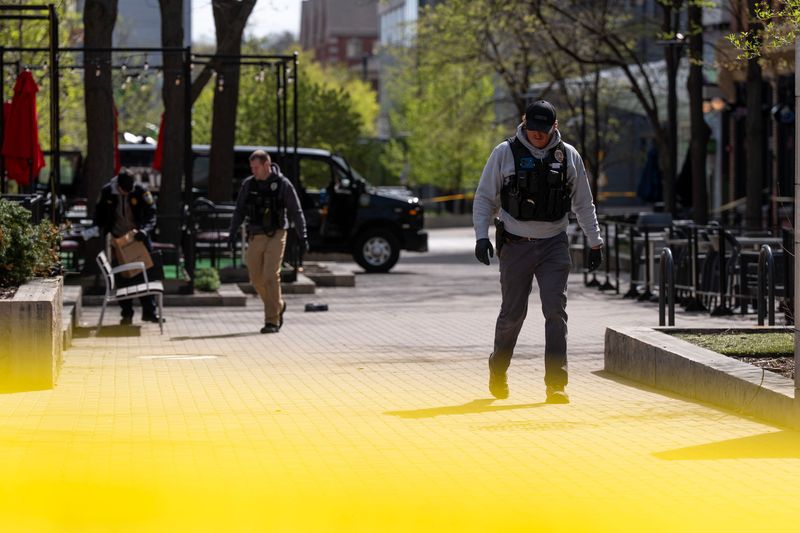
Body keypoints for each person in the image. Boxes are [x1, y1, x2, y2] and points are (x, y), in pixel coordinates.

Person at [472, 100, 604, 404]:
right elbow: (484, 198)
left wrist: (594, 241)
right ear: (524, 122)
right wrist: (481, 237)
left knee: (555, 310)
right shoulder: (504, 153)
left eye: (543, 131)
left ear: (554, 127)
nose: (537, 136)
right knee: (513, 313)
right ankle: (499, 367)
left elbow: (583, 202)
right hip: (516, 243)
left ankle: (556, 383)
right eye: (532, 129)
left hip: (554, 244)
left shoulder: (568, 156)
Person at [228, 150, 308, 334]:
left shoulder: (283, 185)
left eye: (256, 167)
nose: (253, 171)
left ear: (266, 165)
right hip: (256, 235)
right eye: (252, 168)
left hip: (277, 233)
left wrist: (302, 236)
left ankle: (271, 321)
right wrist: (231, 232)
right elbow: (239, 210)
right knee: (256, 278)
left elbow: (296, 211)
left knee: (271, 276)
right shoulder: (249, 185)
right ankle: (278, 305)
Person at [93, 170, 162, 325]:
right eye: (124, 190)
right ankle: (127, 314)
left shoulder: (140, 190)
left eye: (130, 189)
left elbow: (152, 213)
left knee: (145, 274)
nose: (127, 192)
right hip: (118, 240)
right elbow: (98, 213)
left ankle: (149, 312)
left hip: (138, 238)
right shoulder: (107, 192)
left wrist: (145, 230)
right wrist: (99, 230)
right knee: (123, 277)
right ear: (118, 186)